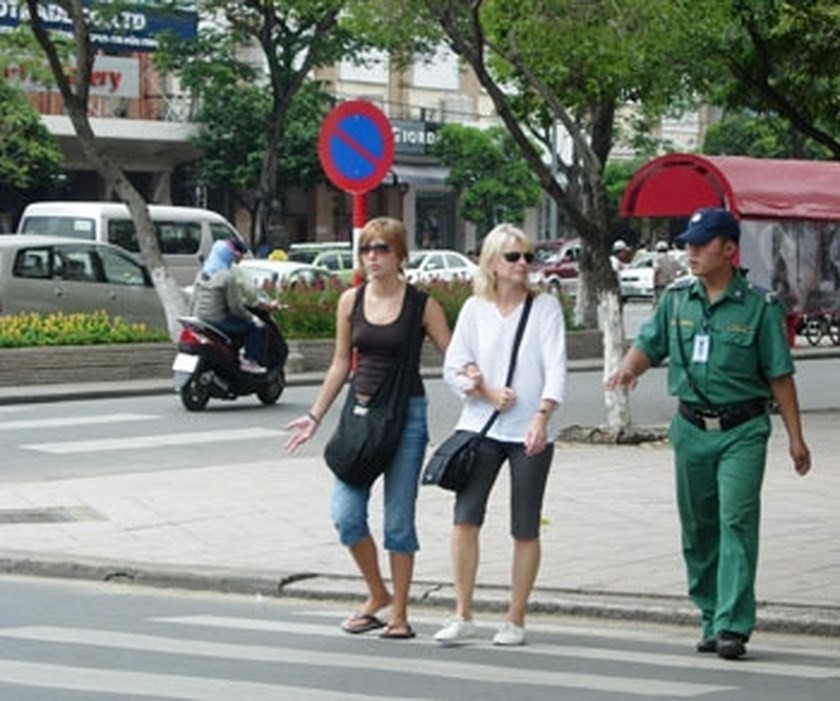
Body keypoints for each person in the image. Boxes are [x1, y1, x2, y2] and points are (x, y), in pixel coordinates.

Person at [605, 207, 811, 660]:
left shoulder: (759, 307)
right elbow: (649, 344)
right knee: (698, 528)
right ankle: (710, 613)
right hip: (692, 428)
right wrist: (628, 368)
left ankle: (733, 625)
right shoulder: (678, 299)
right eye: (687, 244)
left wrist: (796, 437)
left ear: (729, 250)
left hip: (743, 430)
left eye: (701, 244)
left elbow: (780, 376)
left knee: (736, 522)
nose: (691, 252)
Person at [285, 217, 450, 640]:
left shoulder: (421, 305)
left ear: (400, 255)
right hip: (359, 416)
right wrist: (315, 415)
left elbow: (454, 358)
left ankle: (400, 613)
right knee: (346, 517)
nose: (373, 256)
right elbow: (342, 362)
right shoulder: (350, 301)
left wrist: (486, 393)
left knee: (398, 521)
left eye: (382, 249)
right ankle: (377, 594)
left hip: (406, 415)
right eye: (366, 249)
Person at [433, 223, 567, 647]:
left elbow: (556, 366)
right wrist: (482, 387)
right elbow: (453, 365)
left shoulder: (544, 308)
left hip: (530, 428)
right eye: (513, 256)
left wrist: (542, 417)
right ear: (492, 261)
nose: (523, 264)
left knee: (525, 526)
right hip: (480, 426)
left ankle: (515, 618)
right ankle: (463, 613)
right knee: (465, 518)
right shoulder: (475, 309)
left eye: (528, 256)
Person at [189, 238, 267, 373]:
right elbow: (235, 307)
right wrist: (252, 318)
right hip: (217, 320)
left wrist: (190, 315)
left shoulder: (201, 273)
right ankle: (250, 361)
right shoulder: (227, 277)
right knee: (254, 329)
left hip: (199, 318)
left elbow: (193, 298)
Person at [652, 240, 683, 306]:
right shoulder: (672, 259)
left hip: (661, 284)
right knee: (671, 303)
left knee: (660, 304)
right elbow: (683, 270)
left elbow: (656, 270)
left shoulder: (657, 259)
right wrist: (677, 277)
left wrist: (654, 282)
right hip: (672, 283)